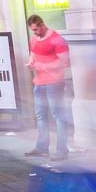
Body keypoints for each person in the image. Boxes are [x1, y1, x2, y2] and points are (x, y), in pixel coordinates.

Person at [28, 15, 72, 159]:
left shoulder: (56, 39)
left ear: (42, 25)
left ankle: (62, 151)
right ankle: (42, 148)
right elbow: (33, 54)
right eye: (32, 31)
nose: (35, 33)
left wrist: (43, 66)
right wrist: (31, 62)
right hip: (39, 82)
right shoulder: (34, 39)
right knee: (41, 116)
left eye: (36, 30)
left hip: (54, 82)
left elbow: (64, 62)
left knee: (58, 116)